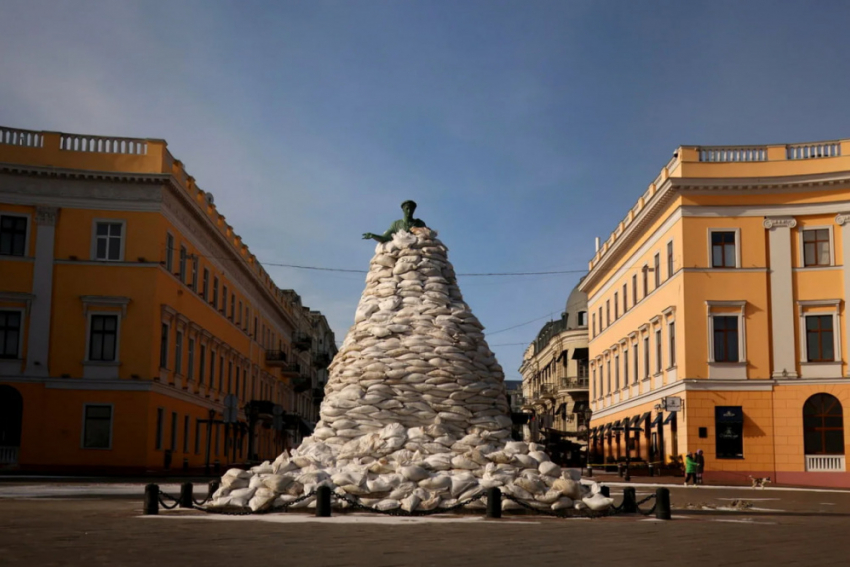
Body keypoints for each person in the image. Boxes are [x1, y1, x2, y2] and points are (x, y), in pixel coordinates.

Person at [363, 200, 427, 243]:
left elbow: (426, 237)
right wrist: (373, 236)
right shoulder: (396, 224)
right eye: (407, 209)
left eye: (411, 209)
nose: (409, 211)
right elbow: (385, 238)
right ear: (403, 210)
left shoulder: (419, 223)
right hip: (400, 251)